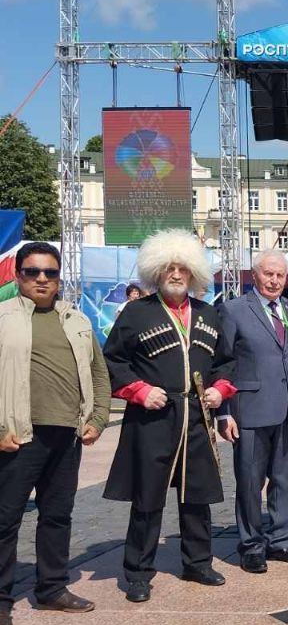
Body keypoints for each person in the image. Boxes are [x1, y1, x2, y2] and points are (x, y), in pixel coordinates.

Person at [103, 229, 236, 603]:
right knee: (148, 497)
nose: (176, 275)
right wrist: (139, 391)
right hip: (153, 419)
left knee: (198, 495)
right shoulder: (137, 312)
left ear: (194, 273)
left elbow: (227, 362)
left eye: (182, 269)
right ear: (156, 273)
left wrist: (219, 390)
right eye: (169, 269)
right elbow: (113, 360)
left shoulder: (209, 313)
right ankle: (139, 573)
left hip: (196, 416)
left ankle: (198, 562)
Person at [0, 242, 110, 625]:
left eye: (50, 273)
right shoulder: (4, 317)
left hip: (66, 434)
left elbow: (99, 371)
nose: (42, 279)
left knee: (58, 515)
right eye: (33, 272)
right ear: (18, 275)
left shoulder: (75, 319)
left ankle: (51, 588)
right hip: (18, 436)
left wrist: (97, 417)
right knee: (6, 519)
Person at [218, 250, 288, 573]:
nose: (274, 281)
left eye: (280, 275)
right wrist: (223, 412)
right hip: (251, 411)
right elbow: (223, 363)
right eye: (268, 274)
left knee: (286, 479)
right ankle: (251, 544)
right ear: (254, 275)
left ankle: (281, 540)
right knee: (249, 480)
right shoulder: (232, 310)